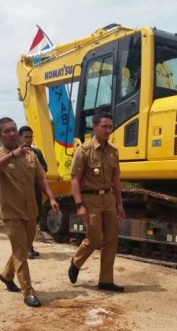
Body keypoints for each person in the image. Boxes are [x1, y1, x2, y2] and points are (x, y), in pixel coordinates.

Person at [0, 117, 59, 308]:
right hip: (11, 212)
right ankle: (28, 292)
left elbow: (41, 179)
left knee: (23, 247)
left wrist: (51, 198)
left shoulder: (30, 155)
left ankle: (6, 275)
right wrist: (12, 156)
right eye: (7, 131)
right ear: (0, 135)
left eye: (14, 130)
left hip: (31, 211)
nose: (12, 134)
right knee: (22, 251)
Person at [68, 111, 126, 292]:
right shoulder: (83, 150)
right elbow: (75, 179)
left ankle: (106, 280)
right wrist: (79, 205)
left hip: (108, 199)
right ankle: (76, 261)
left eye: (110, 127)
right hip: (90, 199)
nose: (108, 130)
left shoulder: (113, 151)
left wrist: (120, 204)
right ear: (94, 127)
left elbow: (116, 180)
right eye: (104, 126)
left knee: (111, 240)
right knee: (94, 239)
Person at [18, 125, 48, 258]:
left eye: (30, 137)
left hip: (35, 190)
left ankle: (28, 245)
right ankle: (27, 247)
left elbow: (44, 168)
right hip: (20, 192)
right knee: (25, 219)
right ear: (20, 138)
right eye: (26, 137)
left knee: (35, 218)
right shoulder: (14, 153)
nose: (28, 140)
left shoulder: (37, 152)